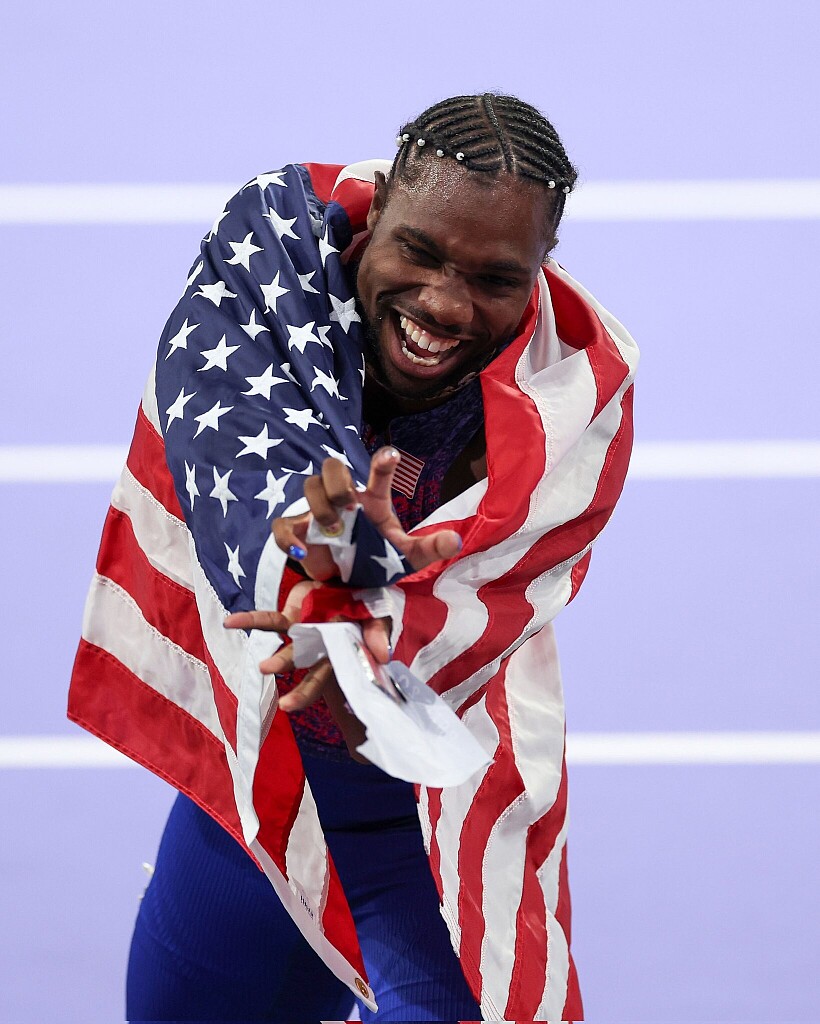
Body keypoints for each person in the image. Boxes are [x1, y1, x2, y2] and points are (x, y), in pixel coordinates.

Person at [68, 93, 638, 1022]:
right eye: (420, 251)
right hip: (269, 768)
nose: (445, 303)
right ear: (382, 209)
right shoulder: (271, 254)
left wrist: (360, 605)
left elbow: (478, 602)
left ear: (544, 267)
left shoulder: (575, 392)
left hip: (426, 794)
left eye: (496, 277)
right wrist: (316, 563)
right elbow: (234, 456)